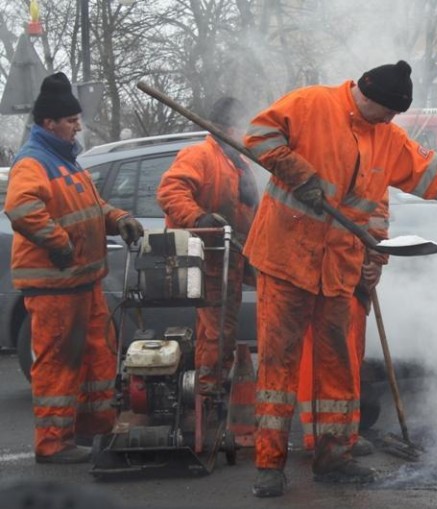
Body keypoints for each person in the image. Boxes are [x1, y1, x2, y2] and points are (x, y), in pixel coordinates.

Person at [242, 60, 437, 497]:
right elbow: (258, 136)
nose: (391, 120)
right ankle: (269, 465)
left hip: (337, 268)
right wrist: (297, 172)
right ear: (365, 95)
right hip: (285, 260)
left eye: (395, 115)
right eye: (386, 111)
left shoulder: (387, 138)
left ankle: (334, 457)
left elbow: (431, 178)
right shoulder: (312, 103)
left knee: (339, 369)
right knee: (279, 365)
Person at [4, 72, 144, 463]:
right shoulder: (34, 162)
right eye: (70, 120)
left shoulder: (67, 162)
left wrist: (119, 219)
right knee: (60, 364)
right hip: (56, 286)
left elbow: (94, 208)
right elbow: (21, 208)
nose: (77, 125)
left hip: (83, 282)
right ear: (50, 123)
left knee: (97, 357)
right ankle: (52, 444)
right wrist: (59, 244)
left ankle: (94, 430)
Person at [156, 96, 259, 394]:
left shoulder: (237, 163)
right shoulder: (200, 155)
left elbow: (246, 209)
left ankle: (214, 383)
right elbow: (171, 190)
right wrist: (198, 218)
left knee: (222, 326)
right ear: (224, 127)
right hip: (208, 258)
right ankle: (208, 389)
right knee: (217, 329)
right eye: (240, 127)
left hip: (232, 258)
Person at [297, 196, 389, 457]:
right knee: (325, 358)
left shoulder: (375, 166)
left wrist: (376, 260)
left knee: (349, 359)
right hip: (323, 273)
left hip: (352, 277)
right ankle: (322, 436)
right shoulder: (328, 164)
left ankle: (344, 434)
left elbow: (377, 218)